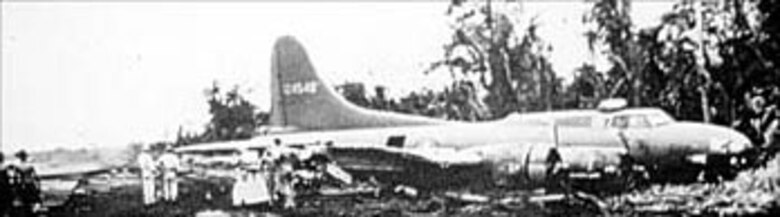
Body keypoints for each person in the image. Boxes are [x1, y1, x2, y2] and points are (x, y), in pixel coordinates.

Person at [9, 150, 41, 217]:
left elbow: (15, 178)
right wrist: (38, 186)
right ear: (26, 157)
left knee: (23, 203)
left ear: (19, 157)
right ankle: (33, 213)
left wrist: (14, 187)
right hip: (30, 184)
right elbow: (35, 177)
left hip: (21, 186)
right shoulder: (30, 166)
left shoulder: (17, 166)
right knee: (36, 201)